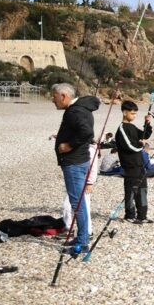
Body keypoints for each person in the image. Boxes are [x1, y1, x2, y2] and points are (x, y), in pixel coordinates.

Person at [51, 83, 100, 252]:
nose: (52, 99)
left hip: (74, 163)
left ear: (64, 96)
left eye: (54, 96)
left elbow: (86, 132)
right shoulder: (81, 109)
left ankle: (82, 241)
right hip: (79, 161)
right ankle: (82, 238)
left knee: (77, 203)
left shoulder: (75, 111)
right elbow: (81, 130)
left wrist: (69, 145)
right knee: (78, 202)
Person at [115, 101, 153, 224]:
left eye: (136, 113)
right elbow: (130, 146)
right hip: (130, 166)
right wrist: (141, 145)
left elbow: (144, 135)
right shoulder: (121, 129)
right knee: (131, 191)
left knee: (142, 190)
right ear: (125, 113)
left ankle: (142, 215)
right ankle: (129, 215)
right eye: (132, 113)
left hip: (140, 165)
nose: (134, 115)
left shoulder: (132, 127)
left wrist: (147, 122)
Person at [62, 141, 100, 236]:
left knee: (84, 207)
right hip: (74, 181)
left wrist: (90, 183)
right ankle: (68, 228)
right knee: (67, 206)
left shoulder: (90, 150)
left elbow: (93, 168)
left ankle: (88, 231)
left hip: (84, 183)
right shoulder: (78, 147)